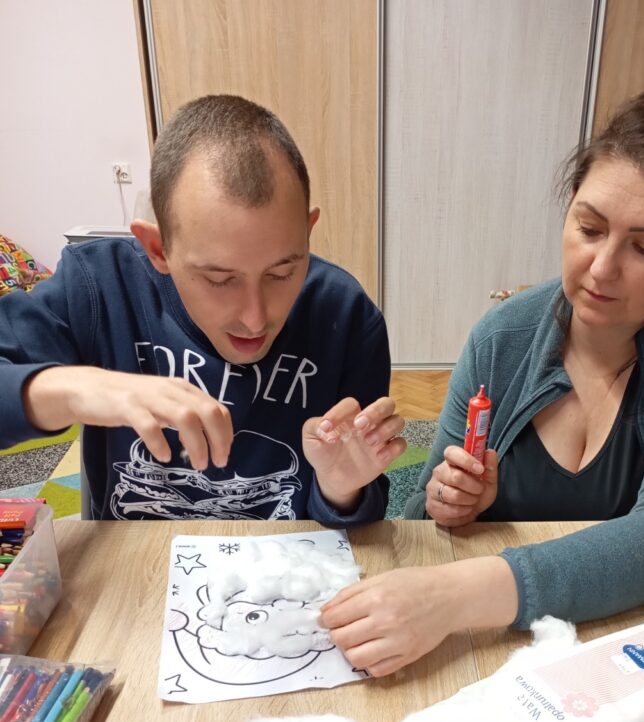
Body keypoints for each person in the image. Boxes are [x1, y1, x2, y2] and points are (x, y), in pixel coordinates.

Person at [319, 89, 644, 677]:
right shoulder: (502, 338)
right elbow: (426, 513)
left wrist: (449, 596)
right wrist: (451, 503)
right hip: (516, 642)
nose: (601, 268)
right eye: (589, 228)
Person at [0, 95, 405, 521]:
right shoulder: (98, 286)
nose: (254, 318)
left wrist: (341, 488)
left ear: (307, 232)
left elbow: (364, 508)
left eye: (282, 272)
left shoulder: (346, 314)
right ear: (158, 249)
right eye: (219, 279)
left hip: (287, 557)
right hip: (134, 557)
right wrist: (79, 389)